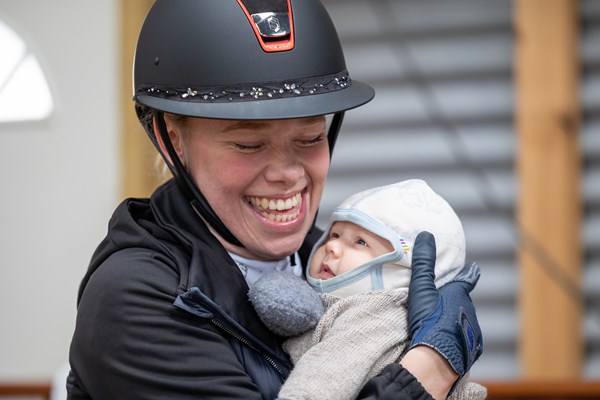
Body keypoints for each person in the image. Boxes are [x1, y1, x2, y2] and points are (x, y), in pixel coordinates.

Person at [67, 1, 483, 399]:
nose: (288, 173)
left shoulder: (337, 262)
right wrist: (429, 368)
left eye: (310, 137)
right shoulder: (136, 300)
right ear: (171, 139)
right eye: (249, 144)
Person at [249, 179, 486, 400]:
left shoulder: (375, 313)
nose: (331, 246)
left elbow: (329, 372)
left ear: (402, 269)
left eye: (360, 241)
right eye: (335, 234)